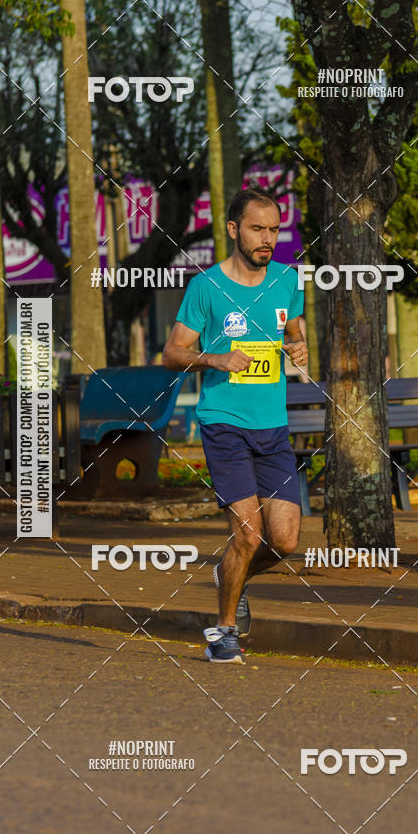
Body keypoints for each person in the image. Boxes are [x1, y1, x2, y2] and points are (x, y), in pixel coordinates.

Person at [162, 186, 308, 664]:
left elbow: (293, 327)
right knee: (247, 536)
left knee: (284, 541)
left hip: (273, 427)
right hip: (224, 423)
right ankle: (223, 634)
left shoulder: (288, 279)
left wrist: (299, 346)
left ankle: (231, 574)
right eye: (257, 228)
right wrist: (216, 357)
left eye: (274, 230)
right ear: (233, 229)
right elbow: (172, 353)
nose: (268, 238)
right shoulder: (206, 288)